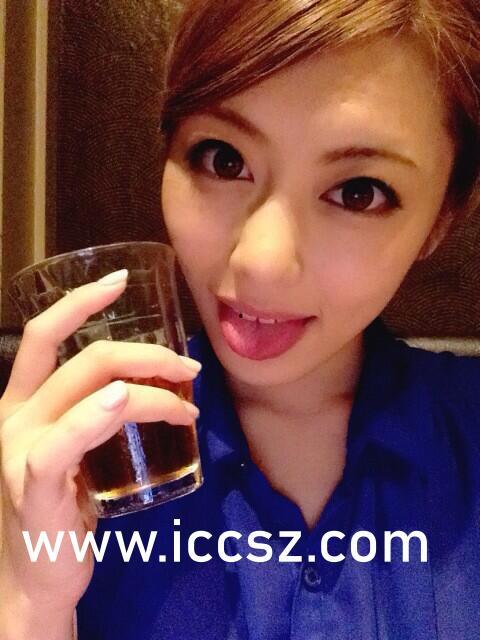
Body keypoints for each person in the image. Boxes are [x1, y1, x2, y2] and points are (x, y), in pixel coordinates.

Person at [1, 0, 479, 638]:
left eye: (358, 192)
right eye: (223, 159)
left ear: (441, 220)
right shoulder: (78, 461)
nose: (261, 263)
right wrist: (30, 601)